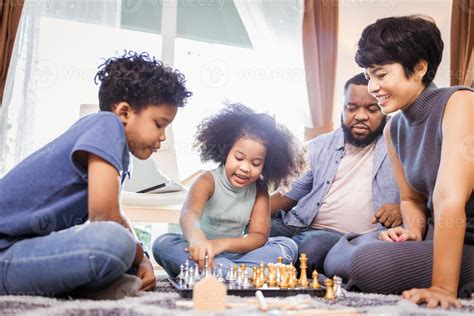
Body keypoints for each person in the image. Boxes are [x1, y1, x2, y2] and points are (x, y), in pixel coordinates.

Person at [0, 51, 192, 296]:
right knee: (114, 243)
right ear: (124, 113)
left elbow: (113, 218)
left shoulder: (114, 149)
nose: (163, 136)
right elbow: (105, 215)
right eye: (159, 124)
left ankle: (83, 285)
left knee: (120, 248)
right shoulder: (106, 124)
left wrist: (141, 258)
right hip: (6, 249)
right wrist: (139, 256)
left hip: (24, 250)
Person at [324, 15, 473, 309]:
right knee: (334, 252)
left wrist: (443, 287)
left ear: (419, 68)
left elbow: (448, 198)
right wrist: (413, 231)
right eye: (368, 76)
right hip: (434, 234)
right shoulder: (394, 128)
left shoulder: (461, 103)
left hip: (468, 240)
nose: (373, 87)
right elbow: (411, 198)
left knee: (367, 263)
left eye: (381, 74)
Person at [270, 73, 401, 276]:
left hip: (344, 237)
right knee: (261, 230)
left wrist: (402, 208)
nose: (360, 116)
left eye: (371, 109)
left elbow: (426, 195)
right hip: (299, 224)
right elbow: (288, 195)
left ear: (384, 110)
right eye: (351, 108)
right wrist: (244, 212)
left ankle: (274, 259)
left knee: (311, 249)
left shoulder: (400, 145)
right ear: (342, 109)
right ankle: (276, 258)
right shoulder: (319, 146)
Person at [152, 104, 306, 276]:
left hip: (236, 253)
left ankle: (219, 271)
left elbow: (258, 236)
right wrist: (198, 239)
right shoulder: (207, 181)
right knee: (163, 243)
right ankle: (237, 272)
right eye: (239, 158)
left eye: (256, 163)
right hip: (199, 253)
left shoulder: (259, 191)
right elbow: (189, 215)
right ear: (225, 152)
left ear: (266, 164)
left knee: (287, 246)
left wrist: (222, 245)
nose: (245, 168)